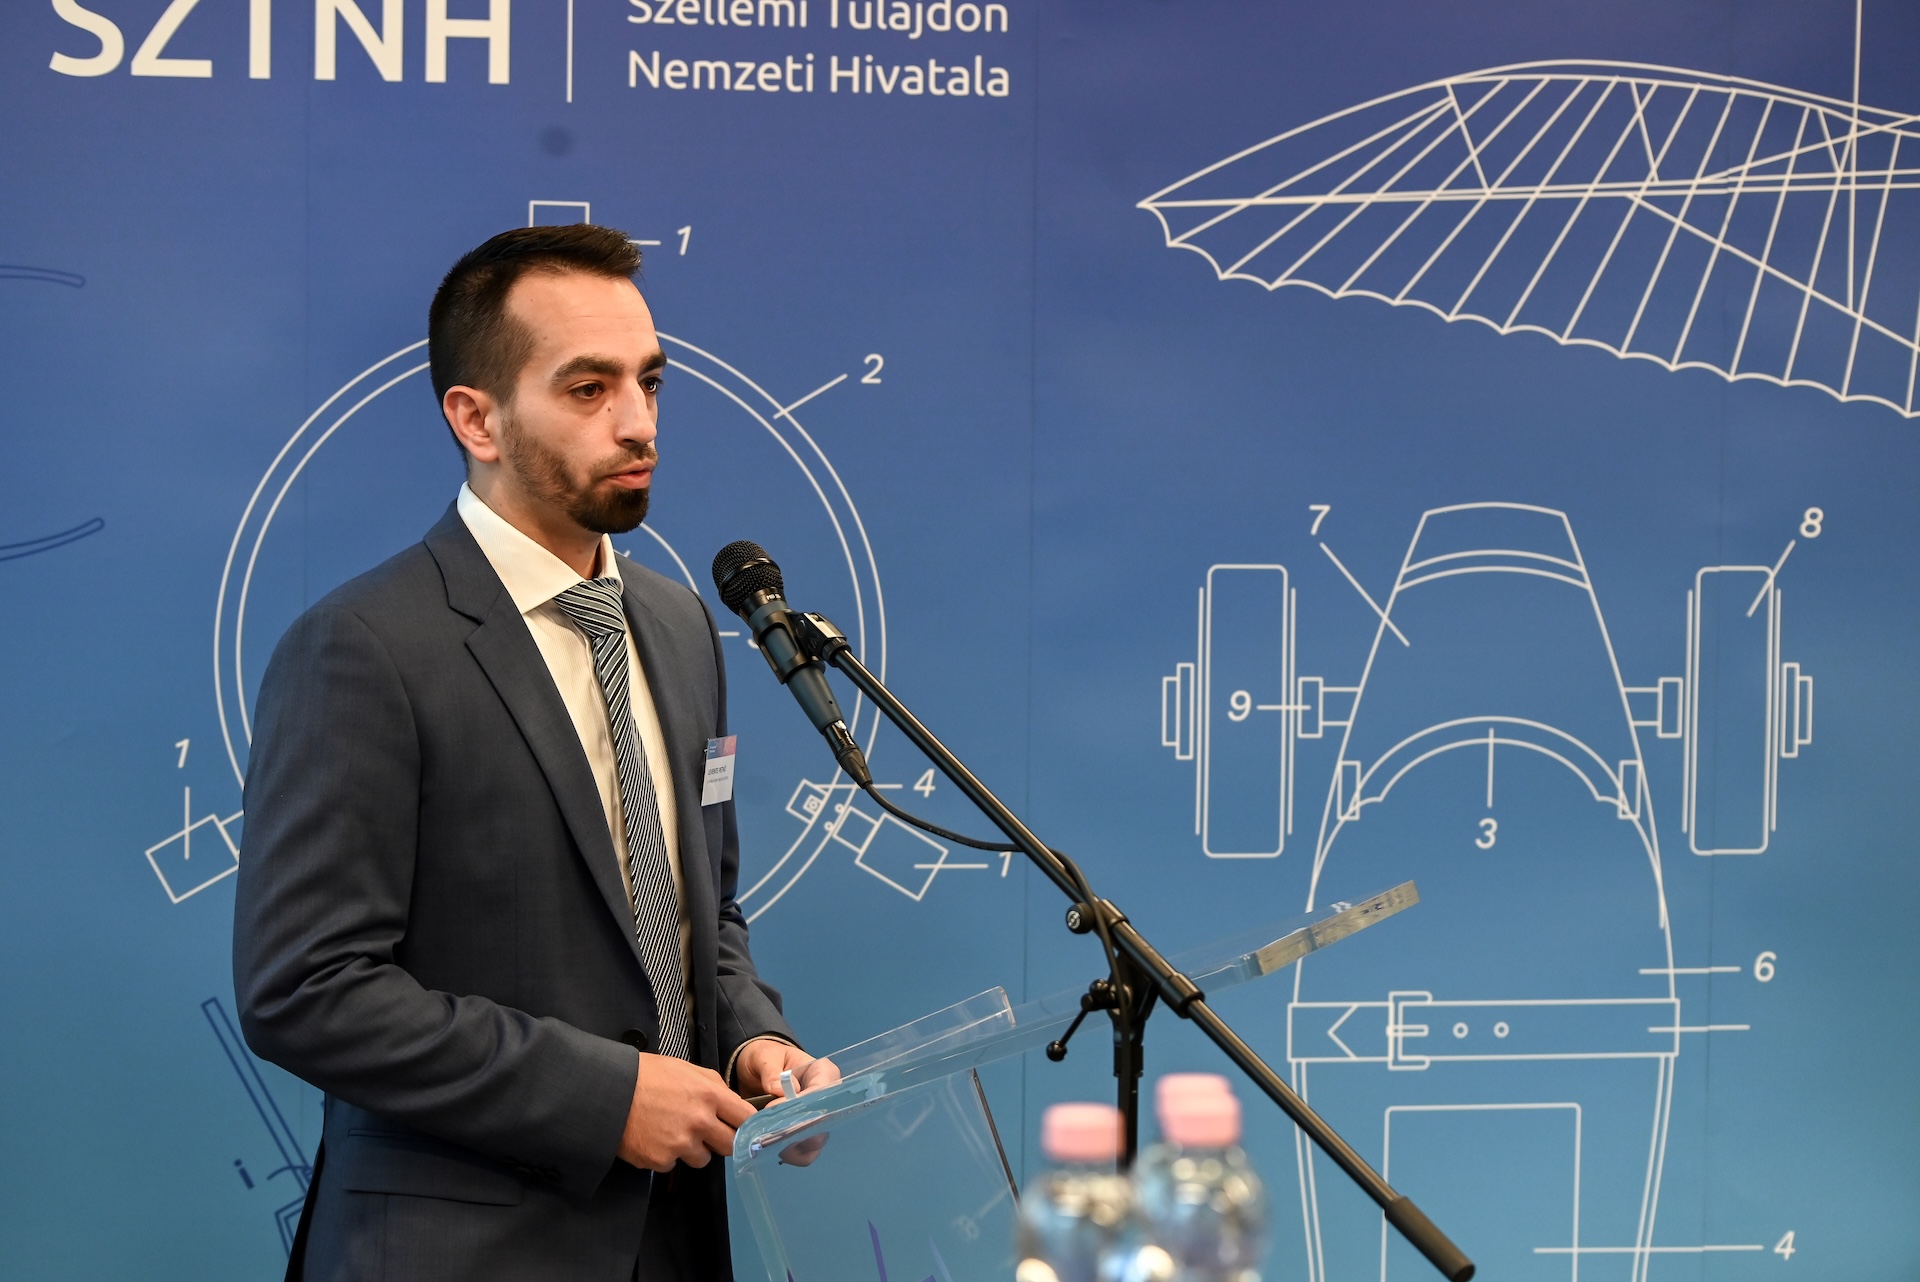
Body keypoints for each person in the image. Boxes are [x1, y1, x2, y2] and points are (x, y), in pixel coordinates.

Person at [233, 224, 833, 1281]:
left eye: (650, 381)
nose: (639, 422)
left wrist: (755, 1042)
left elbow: (704, 918)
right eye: (589, 389)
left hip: (678, 1240)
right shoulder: (364, 647)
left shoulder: (682, 627)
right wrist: (606, 1096)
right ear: (477, 418)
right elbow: (307, 987)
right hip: (460, 1252)